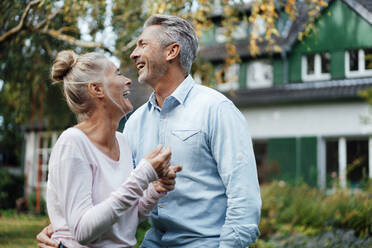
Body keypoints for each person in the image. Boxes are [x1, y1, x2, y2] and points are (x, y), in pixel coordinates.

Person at [38, 14, 261, 248]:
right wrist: (63, 229)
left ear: (171, 52)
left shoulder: (217, 110)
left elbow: (244, 202)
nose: (133, 54)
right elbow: (112, 197)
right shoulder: (133, 124)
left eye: (142, 44)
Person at [42, 50, 182, 248]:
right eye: (117, 74)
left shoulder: (122, 142)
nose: (128, 80)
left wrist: (155, 189)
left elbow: (124, 219)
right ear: (97, 89)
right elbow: (82, 230)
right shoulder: (72, 143)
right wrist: (143, 175)